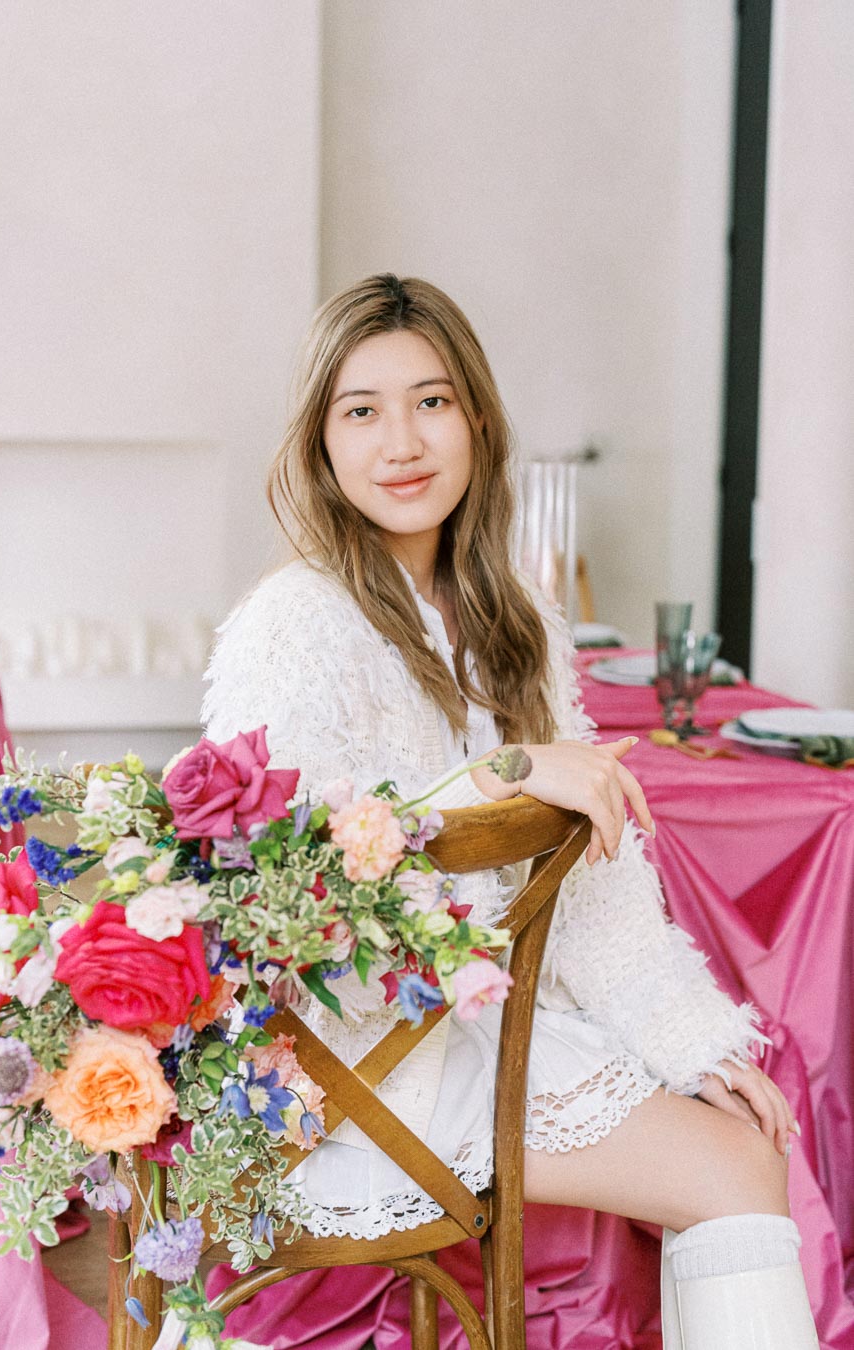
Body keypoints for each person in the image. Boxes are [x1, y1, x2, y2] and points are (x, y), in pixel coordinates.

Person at [202, 273, 819, 1348]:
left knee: (743, 1131)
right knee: (735, 1169)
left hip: (487, 1020)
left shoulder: (513, 609)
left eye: (432, 401)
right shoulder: (292, 624)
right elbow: (295, 882)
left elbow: (592, 885)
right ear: (320, 442)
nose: (403, 440)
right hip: (359, 1049)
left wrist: (692, 1044)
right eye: (363, 410)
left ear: (477, 420)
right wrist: (512, 773)